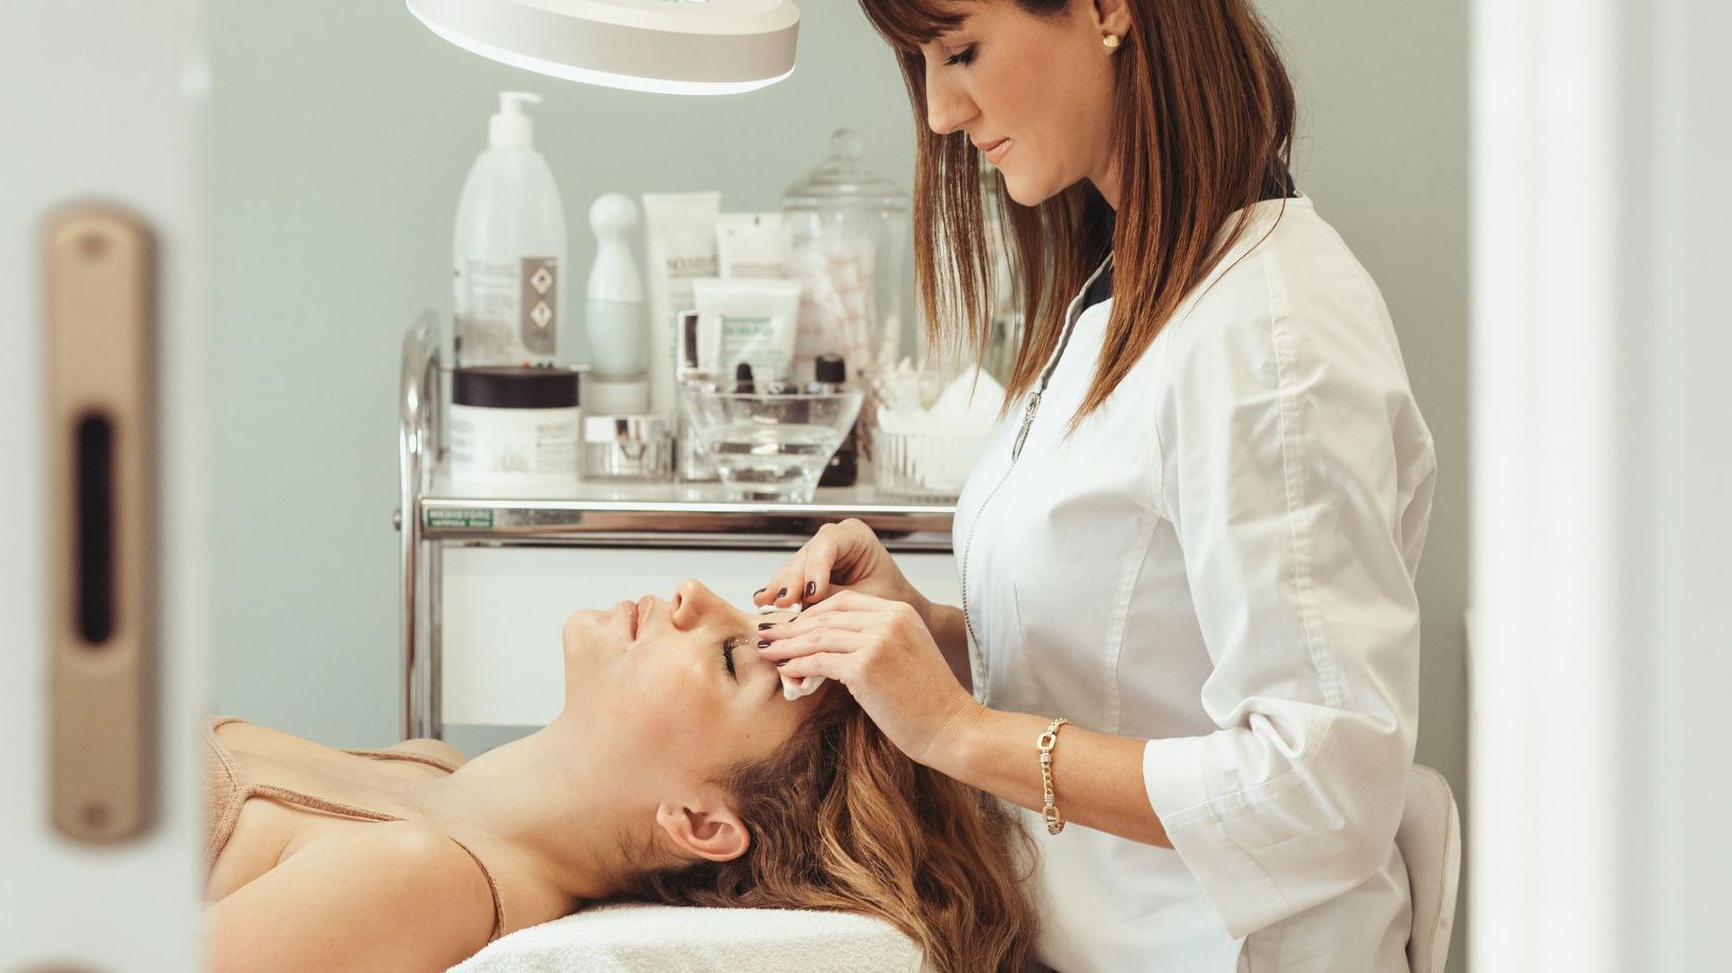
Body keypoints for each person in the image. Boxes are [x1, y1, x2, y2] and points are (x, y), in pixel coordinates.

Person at [754, 1, 1439, 970]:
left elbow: (1323, 790)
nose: (943, 112)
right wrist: (928, 635)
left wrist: (959, 731)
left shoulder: (1272, 335)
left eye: (961, 51)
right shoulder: (1125, 288)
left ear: (1109, 10)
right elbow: (1144, 652)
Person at [202, 580, 1039, 973]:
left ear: (700, 822)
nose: (692, 596)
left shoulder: (422, 877)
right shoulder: (438, 771)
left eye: (729, 653)